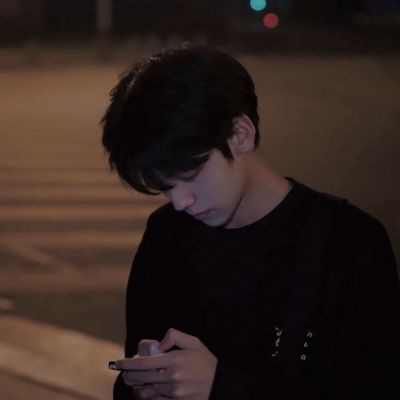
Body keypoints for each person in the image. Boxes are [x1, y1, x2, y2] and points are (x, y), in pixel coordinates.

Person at [101, 44, 400, 400]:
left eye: (191, 174)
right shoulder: (166, 235)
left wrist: (221, 385)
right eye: (165, 187)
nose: (180, 202)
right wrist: (145, 384)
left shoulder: (349, 242)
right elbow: (130, 381)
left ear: (240, 134)